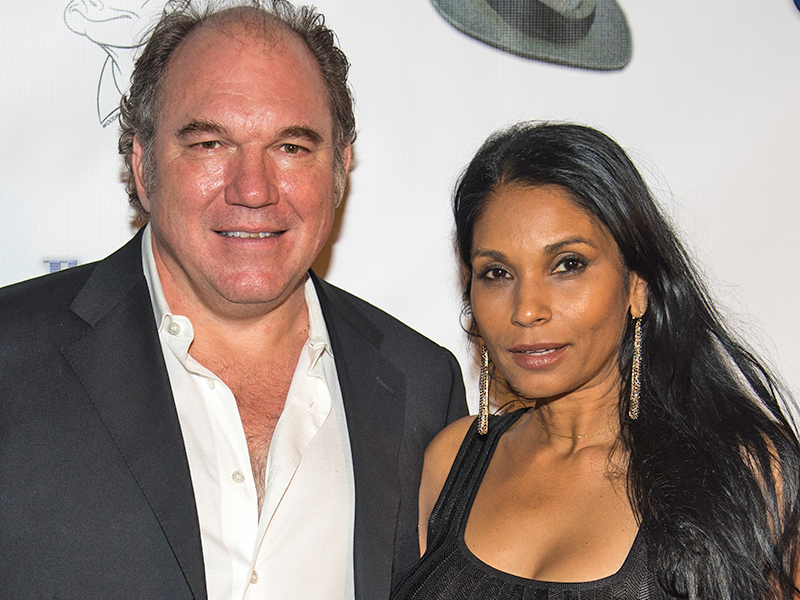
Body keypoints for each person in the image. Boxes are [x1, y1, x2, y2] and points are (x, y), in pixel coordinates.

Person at [0, 2, 467, 599]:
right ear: (143, 166)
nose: (253, 189)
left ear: (340, 168)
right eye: (210, 143)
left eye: (291, 147)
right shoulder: (12, 359)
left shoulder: (422, 385)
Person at [392, 122, 800, 599]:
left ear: (637, 285)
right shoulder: (449, 463)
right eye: (497, 273)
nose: (526, 309)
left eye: (568, 264)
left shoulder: (743, 474)